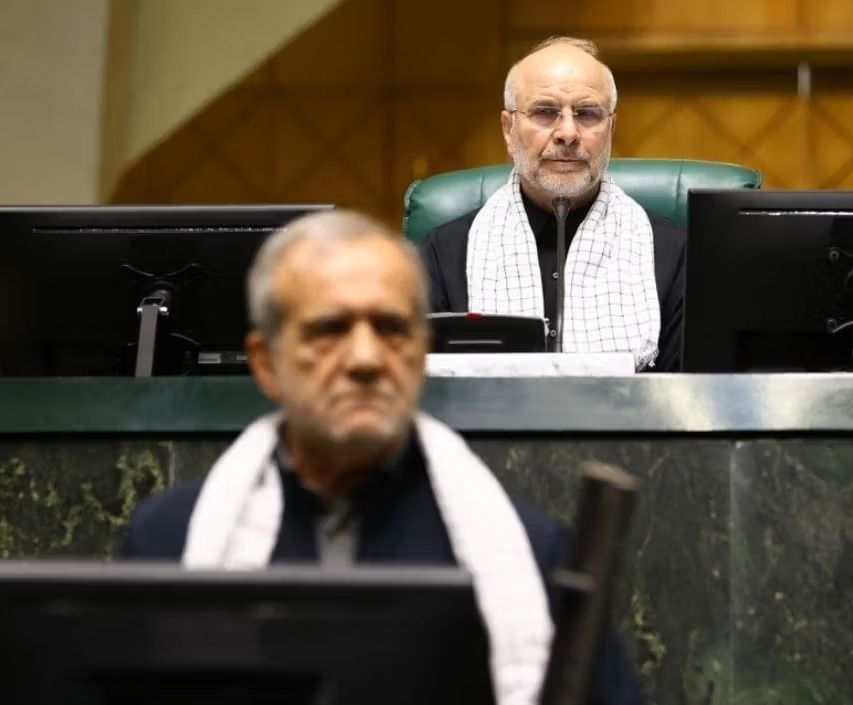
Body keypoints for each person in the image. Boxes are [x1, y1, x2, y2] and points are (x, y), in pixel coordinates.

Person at [120, 209, 644, 705]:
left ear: (421, 354)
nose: (366, 359)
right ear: (266, 363)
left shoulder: (530, 555)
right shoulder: (169, 543)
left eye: (391, 329)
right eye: (329, 329)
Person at [420, 36, 685, 371]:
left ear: (611, 128)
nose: (568, 133)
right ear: (508, 128)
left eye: (588, 114)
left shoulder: (676, 254)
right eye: (546, 112)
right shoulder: (443, 253)